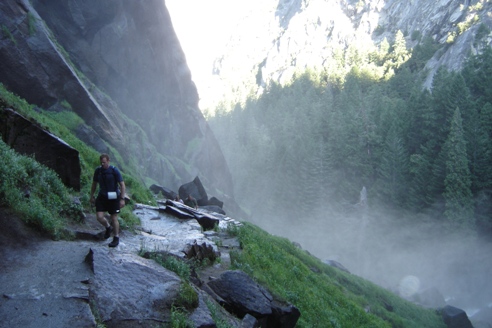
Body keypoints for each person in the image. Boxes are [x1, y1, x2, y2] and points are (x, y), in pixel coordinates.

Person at [89, 154, 126, 247]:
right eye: (101, 162)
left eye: (104, 162)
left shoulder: (114, 170)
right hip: (102, 196)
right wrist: (92, 195)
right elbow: (94, 184)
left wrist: (122, 199)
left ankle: (116, 237)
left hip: (114, 197)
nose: (102, 164)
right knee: (99, 216)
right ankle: (108, 227)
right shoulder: (98, 171)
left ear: (108, 161)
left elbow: (122, 185)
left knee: (114, 217)